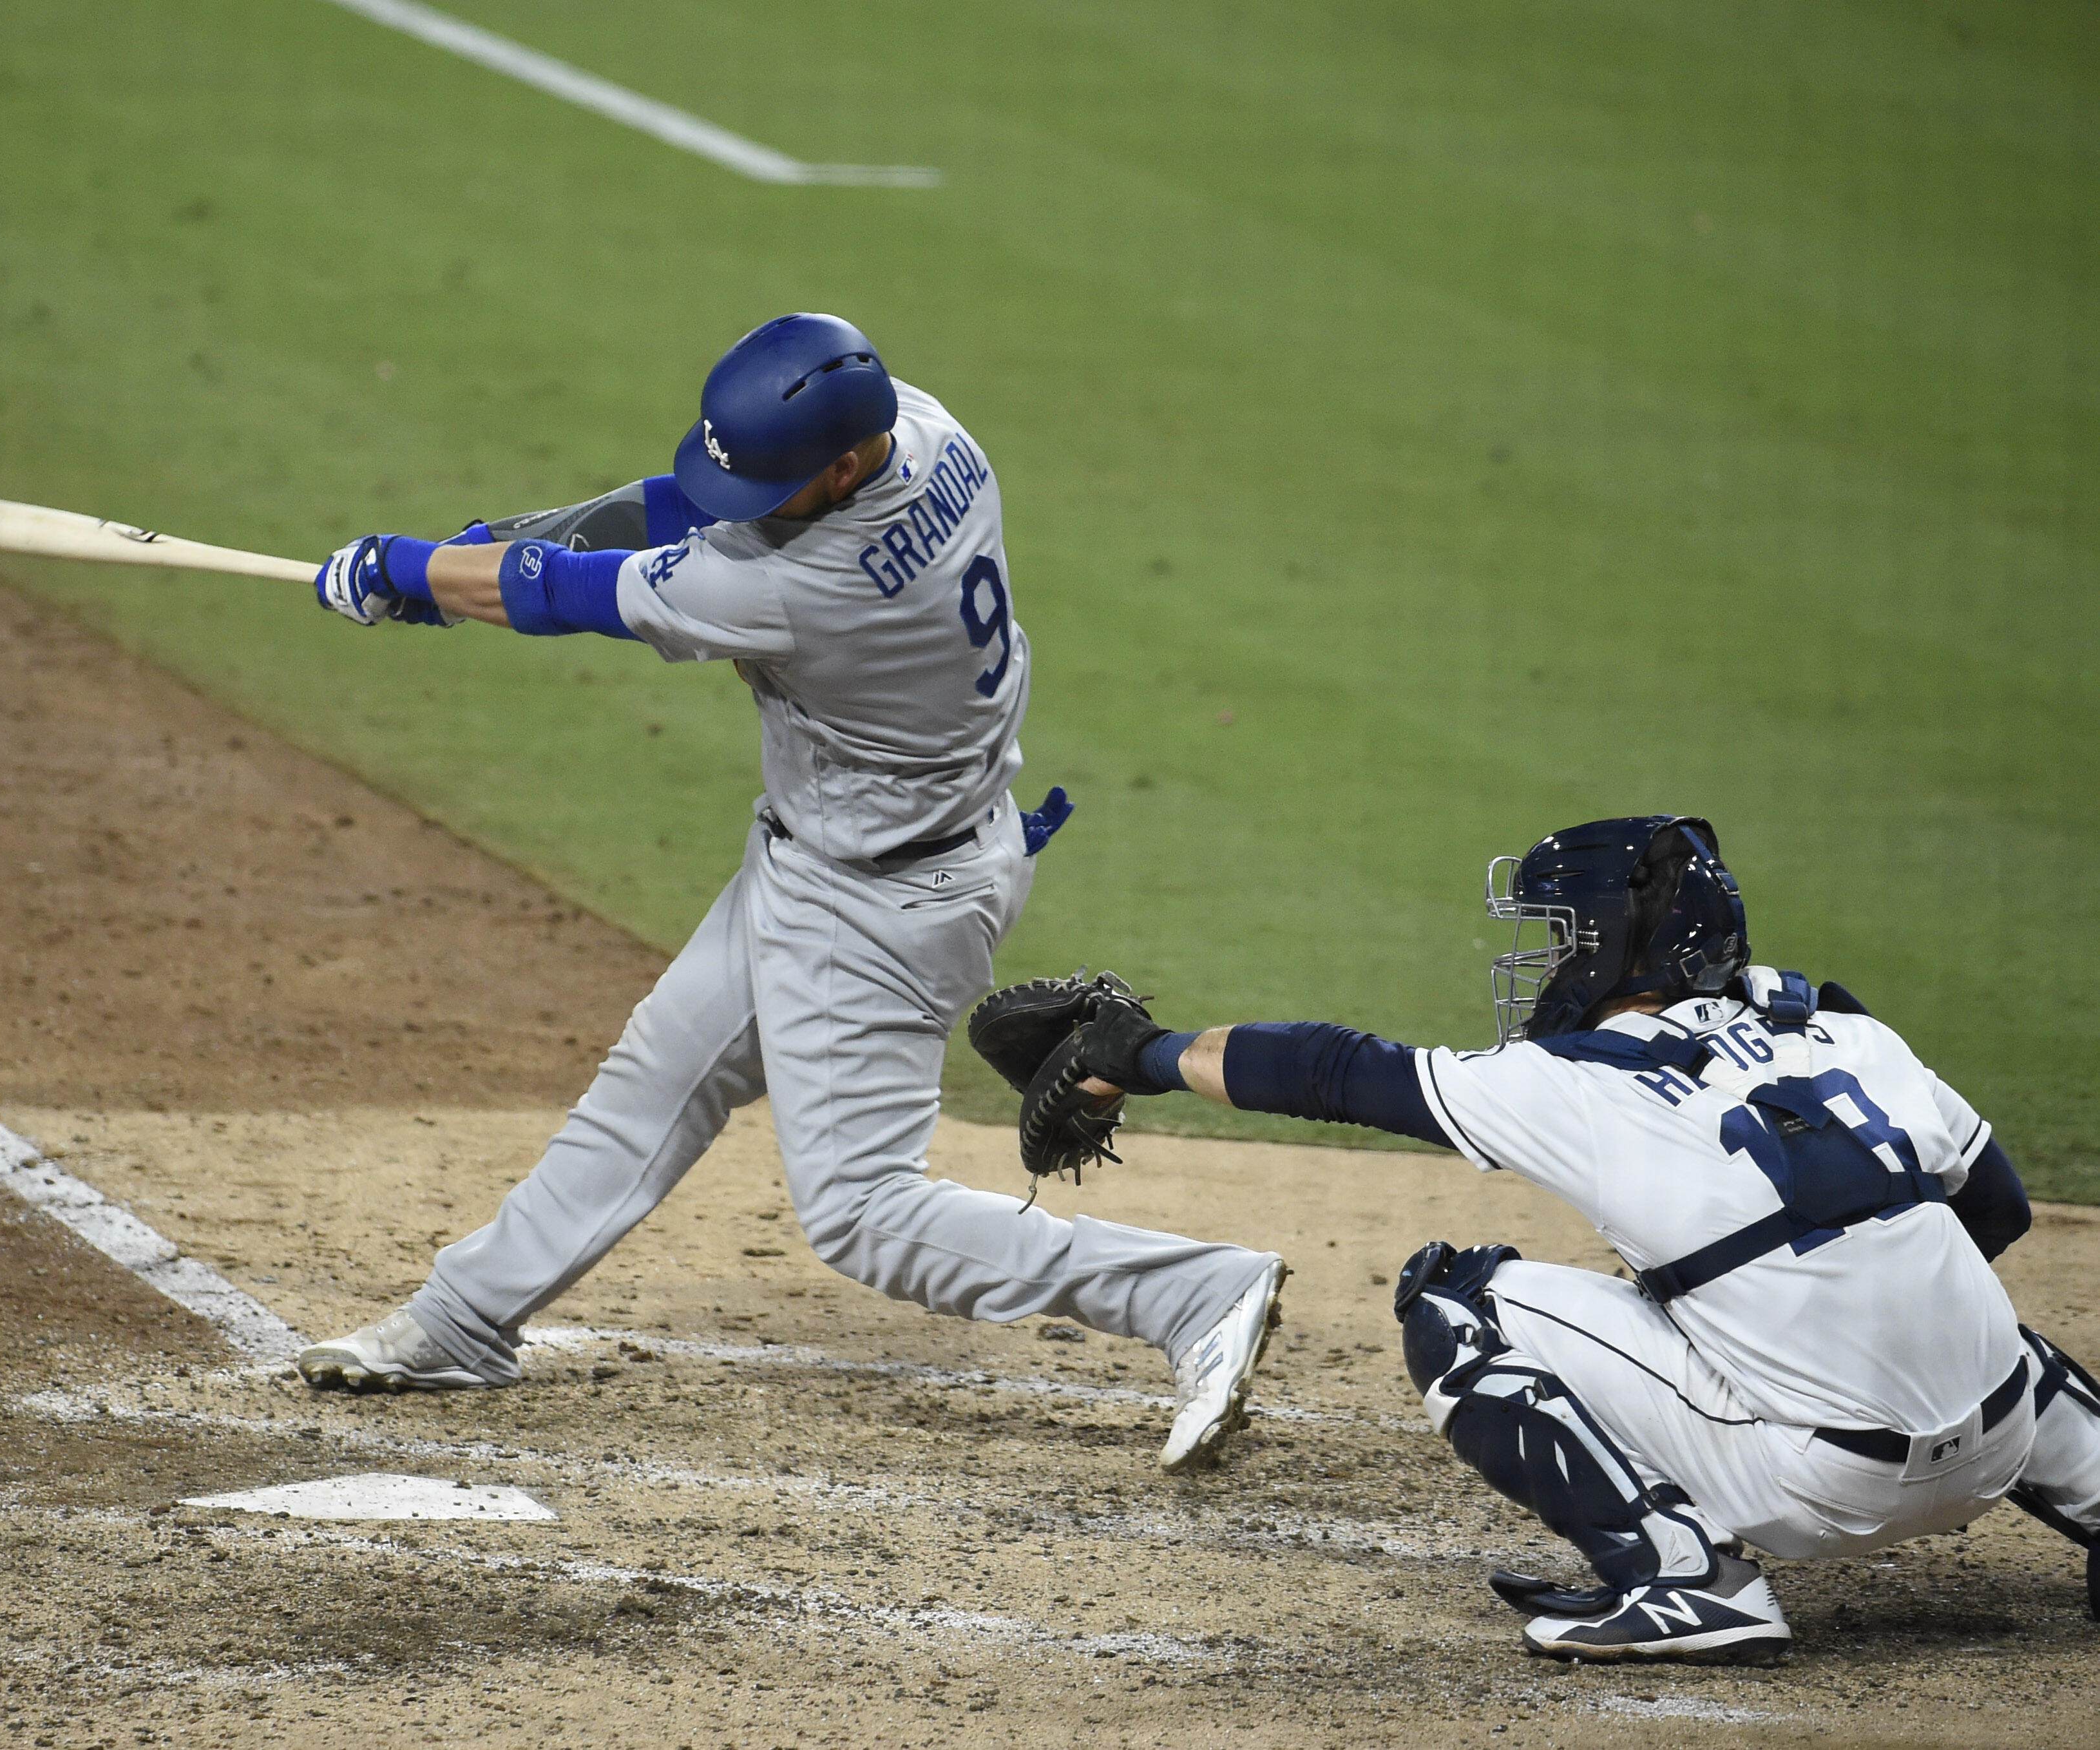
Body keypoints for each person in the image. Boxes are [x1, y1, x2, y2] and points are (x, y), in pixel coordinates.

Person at [292, 314, 1287, 1472]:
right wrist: (479, 553)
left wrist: (405, 570)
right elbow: (669, 514)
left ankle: (1195, 1295)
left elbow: (565, 593)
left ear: (845, 466)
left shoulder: (805, 587)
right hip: (878, 854)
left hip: (877, 908)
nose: (747, 496)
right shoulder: (926, 427)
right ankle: (468, 1318)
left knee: (867, 1215)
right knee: (666, 1067)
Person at [1037, 815, 2100, 1659]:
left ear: (1611, 946)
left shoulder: (1572, 1083)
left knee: (1457, 1303)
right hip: (2002, 1439)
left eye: (1558, 937)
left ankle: (1688, 1585)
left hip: (1825, 1487)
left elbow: (1336, 1070)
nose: (1544, 963)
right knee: (1959, 1307)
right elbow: (1995, 1213)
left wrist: (1139, 1053)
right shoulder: (1842, 1031)